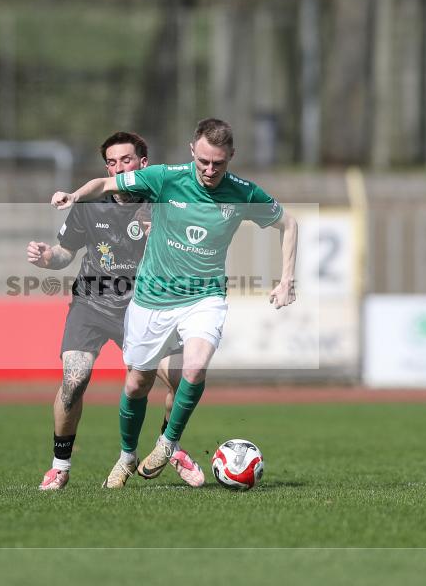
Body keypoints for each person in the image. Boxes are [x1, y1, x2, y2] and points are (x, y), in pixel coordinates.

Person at [51, 118, 298, 489]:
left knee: (195, 369)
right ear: (191, 152)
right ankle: (126, 456)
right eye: (203, 162)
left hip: (204, 296)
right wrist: (74, 196)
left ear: (231, 156)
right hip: (151, 299)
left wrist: (287, 280)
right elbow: (105, 183)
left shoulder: (243, 193)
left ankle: (168, 444)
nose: (210, 170)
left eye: (219, 163)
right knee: (136, 384)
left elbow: (289, 223)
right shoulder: (167, 178)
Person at [28, 131, 205, 491]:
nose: (119, 167)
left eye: (126, 160)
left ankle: (166, 447)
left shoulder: (163, 201)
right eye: (112, 162)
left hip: (145, 308)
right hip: (91, 304)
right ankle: (60, 465)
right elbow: (65, 253)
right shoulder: (91, 206)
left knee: (185, 378)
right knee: (74, 380)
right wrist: (48, 259)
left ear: (143, 164)